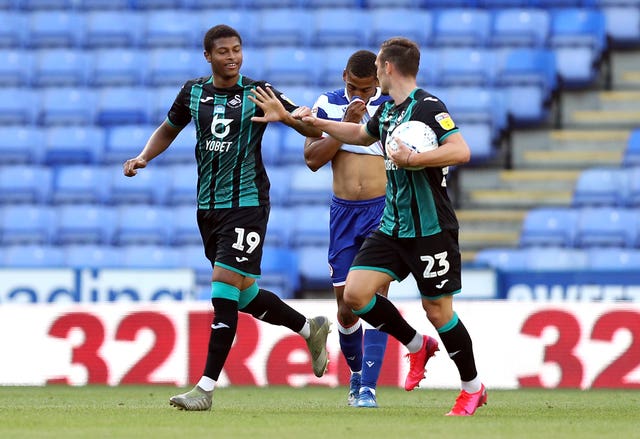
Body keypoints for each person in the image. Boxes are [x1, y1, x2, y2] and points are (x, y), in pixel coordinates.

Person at [122, 24, 330, 412]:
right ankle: (309, 328)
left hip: (247, 204)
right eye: (223, 51)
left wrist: (283, 115)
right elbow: (169, 129)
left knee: (222, 290)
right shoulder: (193, 92)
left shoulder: (259, 91)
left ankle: (204, 388)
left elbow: (310, 127)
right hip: (208, 207)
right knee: (245, 293)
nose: (232, 57)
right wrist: (144, 156)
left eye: (237, 49)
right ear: (208, 56)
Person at [290, 37, 487, 416]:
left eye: (378, 66)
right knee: (355, 296)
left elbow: (461, 150)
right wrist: (318, 123)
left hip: (428, 227)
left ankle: (472, 388)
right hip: (393, 227)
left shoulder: (428, 106)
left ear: (389, 68)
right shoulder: (389, 113)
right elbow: (360, 135)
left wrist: (417, 158)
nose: (375, 71)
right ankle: (416, 345)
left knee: (438, 311)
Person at [303, 50, 391, 408]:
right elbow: (312, 159)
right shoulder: (327, 103)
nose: (360, 96)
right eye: (353, 87)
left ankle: (368, 387)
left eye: (367, 90)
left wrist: (365, 121)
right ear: (343, 77)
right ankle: (355, 376)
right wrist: (346, 126)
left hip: (381, 211)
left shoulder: (390, 107)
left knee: (375, 299)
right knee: (345, 307)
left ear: (378, 84)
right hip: (343, 214)